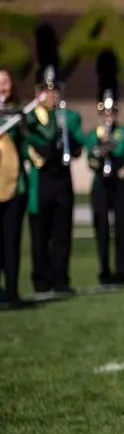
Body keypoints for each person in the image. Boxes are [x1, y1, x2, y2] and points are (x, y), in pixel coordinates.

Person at [25, 24, 84, 297]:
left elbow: (77, 149)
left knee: (62, 232)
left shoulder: (69, 117)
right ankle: (41, 278)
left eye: (55, 89)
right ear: (38, 91)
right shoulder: (30, 117)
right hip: (42, 178)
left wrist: (68, 137)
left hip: (62, 177)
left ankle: (61, 277)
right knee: (41, 233)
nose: (52, 95)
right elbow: (31, 145)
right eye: (46, 90)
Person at [83, 50, 124, 285]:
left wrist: (120, 169)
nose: (109, 115)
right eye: (105, 111)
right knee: (102, 229)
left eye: (112, 111)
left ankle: (122, 269)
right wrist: (100, 147)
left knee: (123, 229)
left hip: (120, 183)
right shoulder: (93, 135)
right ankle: (104, 269)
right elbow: (90, 160)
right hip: (101, 185)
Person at [0, 69, 30, 307]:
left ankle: (12, 290)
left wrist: (20, 123)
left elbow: (28, 142)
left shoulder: (18, 114)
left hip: (14, 187)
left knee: (11, 241)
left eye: (6, 82)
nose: (2, 87)